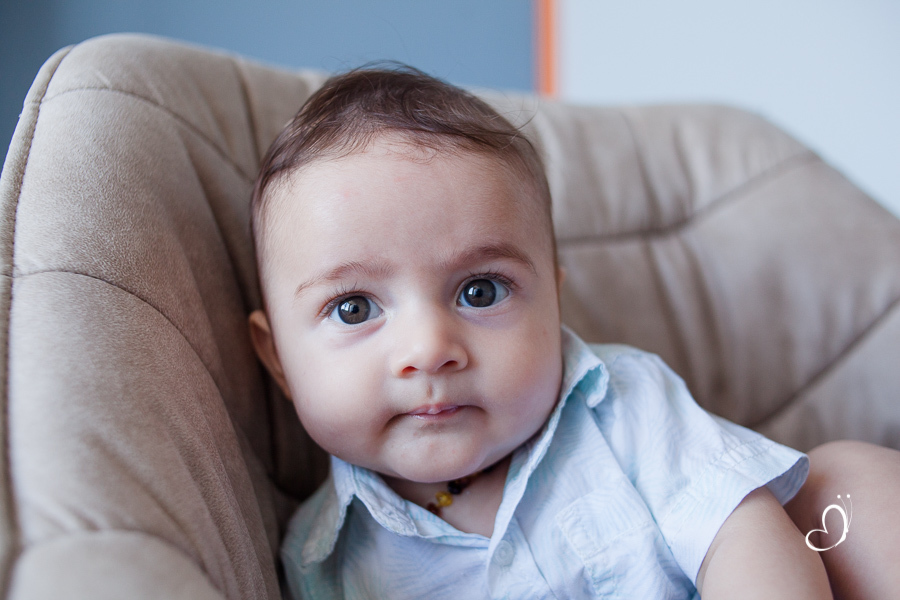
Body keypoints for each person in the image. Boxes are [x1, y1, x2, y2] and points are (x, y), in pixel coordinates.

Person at [247, 66, 899, 599]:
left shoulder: (622, 406)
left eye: (480, 291)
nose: (428, 350)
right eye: (355, 308)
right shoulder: (323, 561)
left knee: (852, 487)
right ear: (279, 359)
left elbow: (740, 535)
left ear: (552, 305)